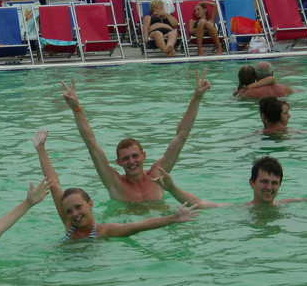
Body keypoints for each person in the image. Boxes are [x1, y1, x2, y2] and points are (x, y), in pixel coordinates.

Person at [61, 72, 210, 203]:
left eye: (135, 156)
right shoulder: (114, 182)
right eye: (125, 158)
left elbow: (181, 137)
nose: (131, 161)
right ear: (119, 162)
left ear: (144, 156)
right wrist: (77, 109)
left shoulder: (158, 174)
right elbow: (92, 145)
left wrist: (196, 98)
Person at [31, 130, 200, 242]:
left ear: (90, 204)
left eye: (78, 207)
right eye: (69, 211)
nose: (74, 214)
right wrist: (41, 150)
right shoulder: (69, 225)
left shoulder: (105, 230)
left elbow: (138, 226)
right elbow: (53, 184)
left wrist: (172, 218)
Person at [155, 156, 307, 209]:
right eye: (264, 181)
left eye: (274, 183)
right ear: (251, 183)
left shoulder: (288, 205)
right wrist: (172, 189)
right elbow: (198, 203)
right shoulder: (239, 209)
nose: (269, 187)